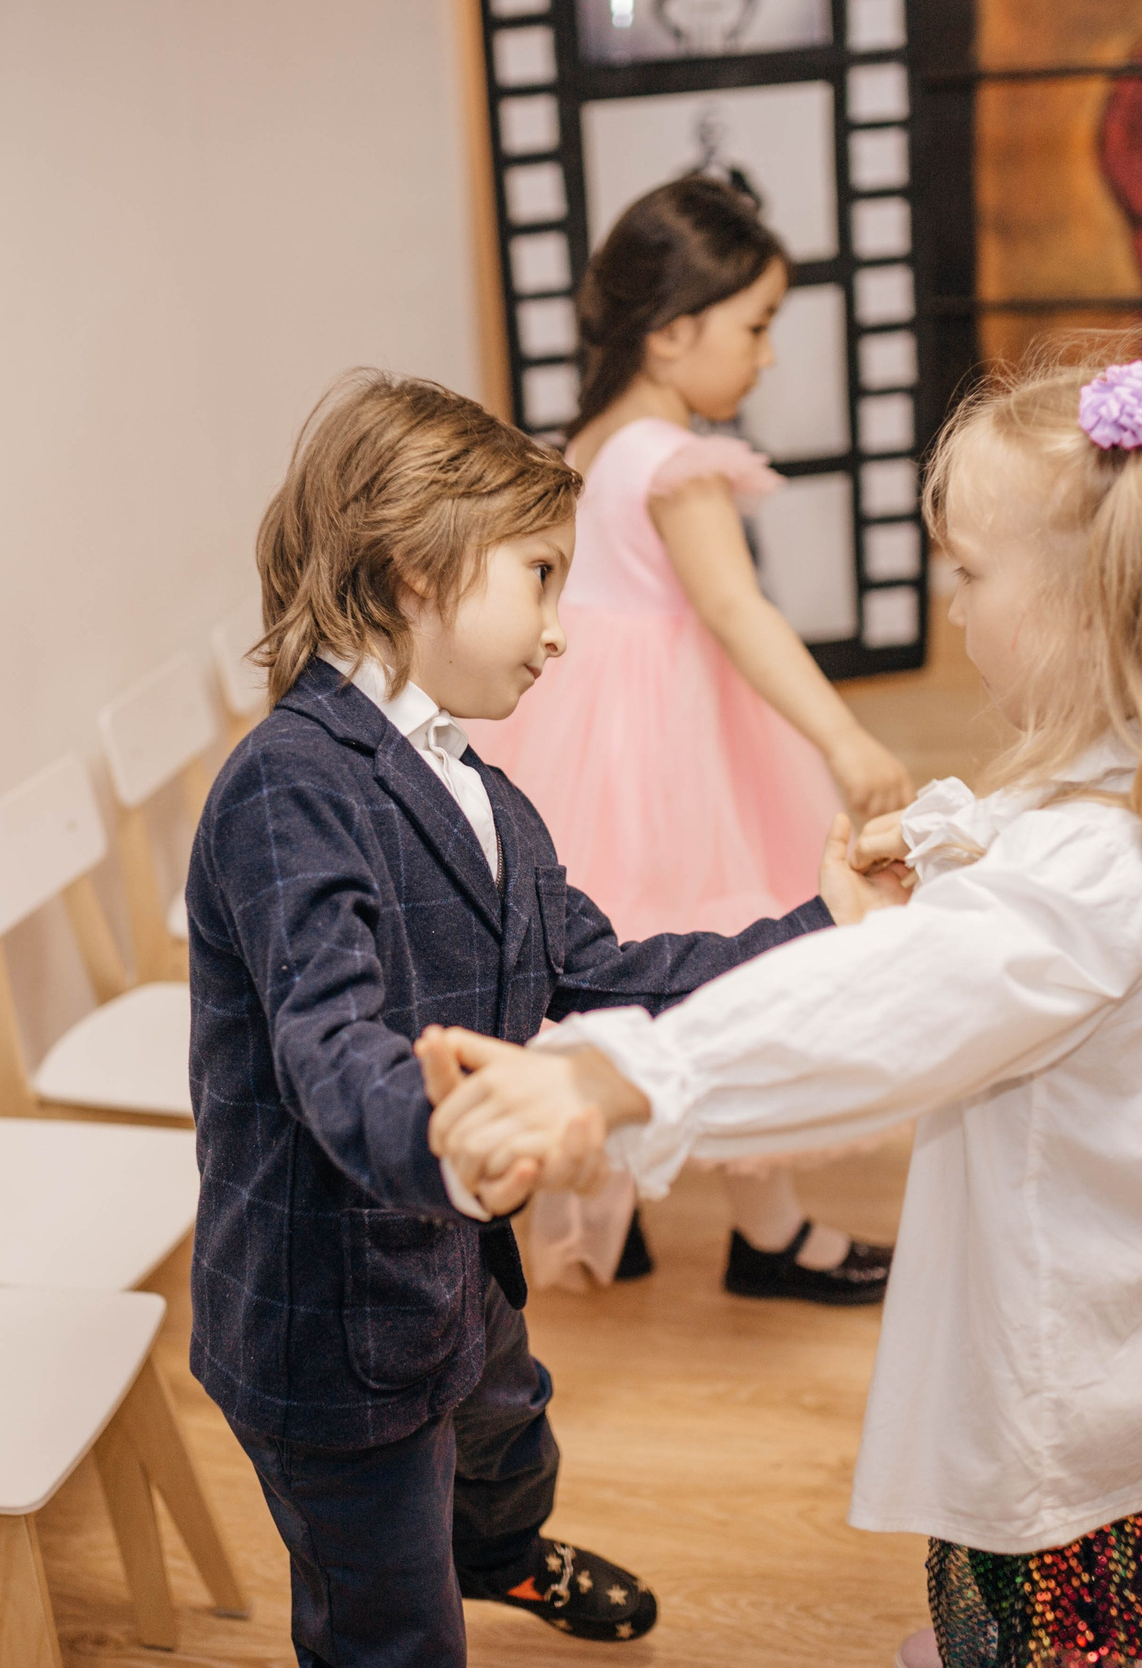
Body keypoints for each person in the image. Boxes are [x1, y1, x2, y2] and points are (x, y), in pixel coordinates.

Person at [424, 351, 1142, 1668]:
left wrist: (626, 1079)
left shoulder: (1089, 882)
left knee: (1084, 1621)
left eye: (969, 573)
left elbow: (868, 1011)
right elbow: (1049, 849)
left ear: (1097, 605)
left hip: (1089, 1404)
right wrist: (957, 834)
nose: (952, 607)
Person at [183, 371, 845, 1668]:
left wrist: (827, 923)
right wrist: (461, 1137)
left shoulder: (488, 794)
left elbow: (614, 964)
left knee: (506, 1432)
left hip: (454, 1266)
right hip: (334, 1320)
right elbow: (334, 1050)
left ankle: (498, 1551)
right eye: (541, 576)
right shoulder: (287, 786)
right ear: (416, 566)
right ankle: (434, 1596)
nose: (562, 629)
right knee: (392, 1622)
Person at [466, 175, 912, 1304]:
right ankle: (771, 1233)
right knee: (734, 953)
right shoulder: (671, 458)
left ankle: (618, 1219)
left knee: (618, 962)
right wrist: (843, 736)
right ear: (672, 332)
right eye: (756, 326)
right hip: (676, 755)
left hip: (580, 740)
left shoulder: (585, 441)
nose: (765, 357)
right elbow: (737, 612)